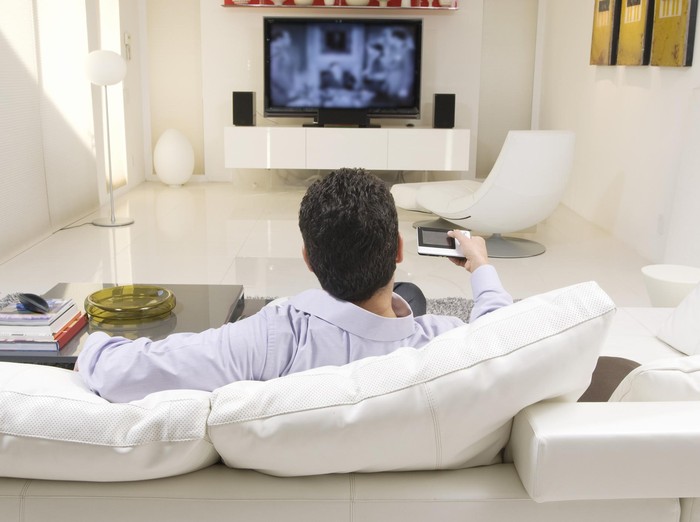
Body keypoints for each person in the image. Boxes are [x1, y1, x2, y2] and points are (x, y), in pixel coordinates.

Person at [76, 168, 513, 402]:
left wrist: (92, 347)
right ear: (398, 250)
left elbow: (124, 372)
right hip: (403, 334)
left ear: (308, 259)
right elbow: (507, 334)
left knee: (407, 299)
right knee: (409, 300)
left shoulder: (268, 338)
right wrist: (480, 268)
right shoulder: (447, 343)